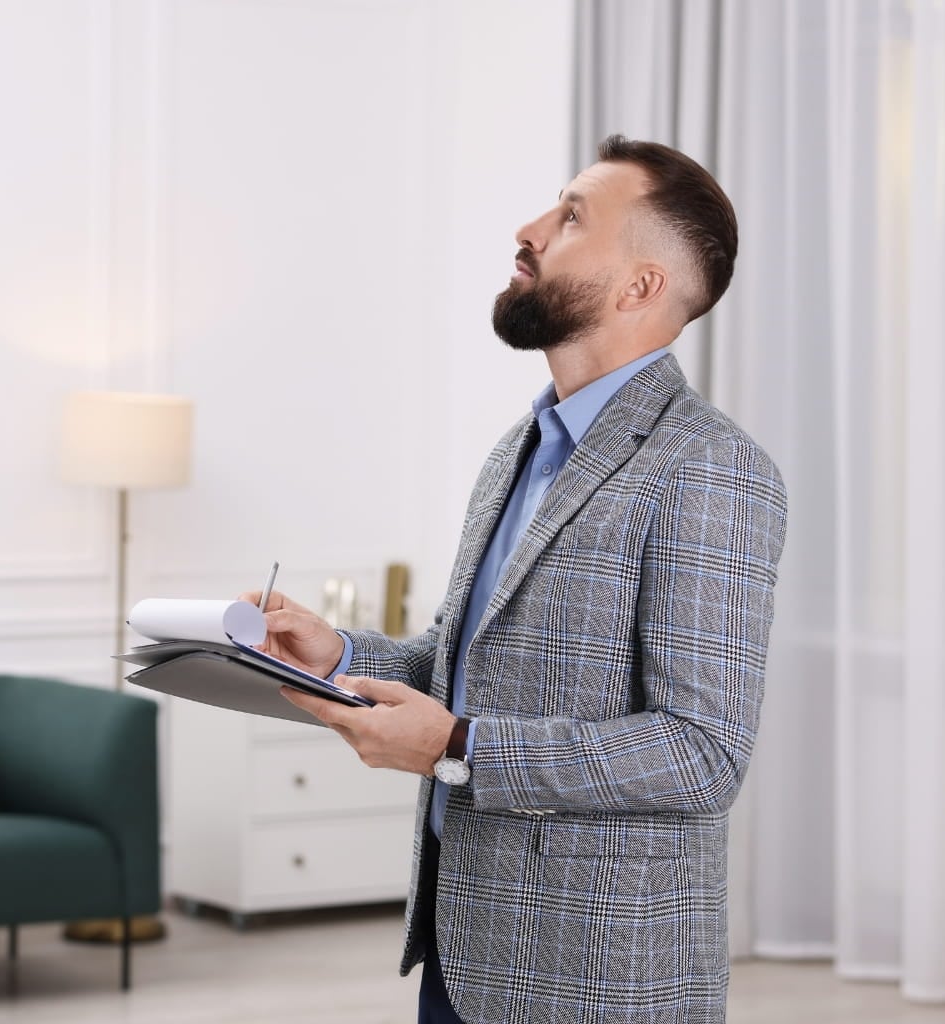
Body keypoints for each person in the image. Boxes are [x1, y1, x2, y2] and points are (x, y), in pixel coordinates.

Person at [241, 135, 789, 1023]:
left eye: (571, 216)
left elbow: (701, 754)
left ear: (640, 286)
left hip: (598, 978)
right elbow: (473, 666)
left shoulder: (711, 467)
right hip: (464, 949)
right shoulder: (520, 451)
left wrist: (457, 747)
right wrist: (337, 650)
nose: (529, 229)